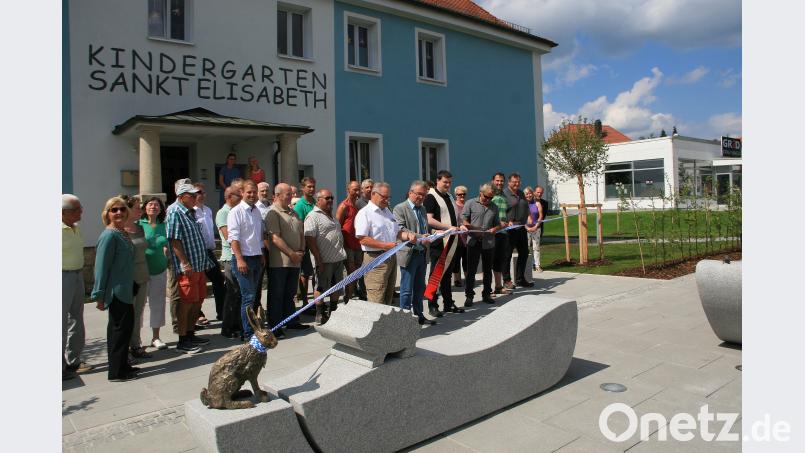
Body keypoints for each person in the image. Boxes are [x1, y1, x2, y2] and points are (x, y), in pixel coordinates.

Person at [91, 197, 138, 381]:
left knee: (126, 329)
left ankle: (124, 365)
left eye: (121, 209)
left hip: (126, 289)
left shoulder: (122, 232)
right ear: (107, 214)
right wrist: (99, 295)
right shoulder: (109, 235)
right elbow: (101, 267)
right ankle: (116, 372)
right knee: (118, 331)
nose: (118, 212)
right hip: (116, 291)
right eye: (114, 210)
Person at [166, 181, 214, 353]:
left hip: (199, 265)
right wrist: (184, 263)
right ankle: (182, 339)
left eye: (196, 195)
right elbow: (174, 240)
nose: (196, 197)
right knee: (186, 303)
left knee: (197, 301)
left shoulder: (190, 212)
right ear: (181, 197)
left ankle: (191, 333)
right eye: (192, 195)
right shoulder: (174, 212)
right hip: (188, 267)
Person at [355, 182, 415, 304]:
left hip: (391, 257)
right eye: (384, 197)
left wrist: (407, 236)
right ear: (373, 194)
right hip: (375, 259)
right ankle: (375, 323)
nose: (386, 200)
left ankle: (384, 323)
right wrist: (385, 245)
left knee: (388, 297)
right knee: (376, 299)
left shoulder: (387, 211)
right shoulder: (365, 213)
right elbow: (362, 238)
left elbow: (397, 232)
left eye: (388, 197)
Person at [266, 183, 311, 338]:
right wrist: (292, 253)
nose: (291, 196)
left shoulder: (293, 212)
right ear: (277, 195)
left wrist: (302, 250)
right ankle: (275, 326)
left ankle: (291, 321)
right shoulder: (273, 213)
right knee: (277, 295)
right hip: (280, 262)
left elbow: (301, 233)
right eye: (287, 194)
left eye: (291, 194)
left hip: (295, 259)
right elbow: (275, 238)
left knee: (290, 293)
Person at [228, 180, 268, 340]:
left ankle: (253, 327)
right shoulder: (236, 212)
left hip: (256, 258)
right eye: (248, 192)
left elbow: (259, 236)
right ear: (242, 193)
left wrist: (261, 254)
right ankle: (247, 333)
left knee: (255, 296)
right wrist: (239, 259)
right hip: (242, 259)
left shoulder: (257, 211)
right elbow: (234, 239)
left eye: (254, 192)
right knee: (248, 297)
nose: (252, 195)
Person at [423, 170, 467, 315]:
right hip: (439, 242)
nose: (448, 185)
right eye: (445, 182)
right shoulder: (430, 197)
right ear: (437, 181)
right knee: (436, 274)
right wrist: (448, 227)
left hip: (452, 241)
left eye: (449, 182)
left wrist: (460, 225)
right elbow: (429, 220)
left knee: (447, 274)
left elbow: (454, 216)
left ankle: (448, 303)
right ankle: (432, 304)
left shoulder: (448, 196)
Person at [393, 181, 435, 325]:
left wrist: (434, 233)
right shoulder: (400, 208)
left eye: (424, 195)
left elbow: (425, 229)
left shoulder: (422, 209)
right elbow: (400, 229)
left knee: (419, 287)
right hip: (409, 254)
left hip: (422, 253)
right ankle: (404, 319)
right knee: (406, 289)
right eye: (418, 194)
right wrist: (419, 238)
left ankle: (419, 315)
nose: (421, 197)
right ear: (410, 192)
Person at [304, 188, 347, 325]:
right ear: (318, 200)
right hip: (324, 260)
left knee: (336, 286)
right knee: (321, 287)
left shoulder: (331, 216)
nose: (330, 201)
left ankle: (333, 310)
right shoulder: (313, 216)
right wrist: (318, 259)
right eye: (327, 198)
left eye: (331, 198)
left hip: (337, 259)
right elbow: (309, 238)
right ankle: (320, 312)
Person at [62, 194, 93, 380]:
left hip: (76, 274)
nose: (81, 212)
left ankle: (73, 360)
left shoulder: (76, 228)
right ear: (64, 212)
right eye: (77, 209)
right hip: (61, 276)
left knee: (76, 318)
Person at [120, 195, 151, 362]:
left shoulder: (139, 228)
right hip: (127, 277)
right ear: (128, 209)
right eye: (138, 207)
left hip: (142, 274)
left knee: (138, 313)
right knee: (127, 315)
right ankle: (123, 350)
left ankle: (136, 345)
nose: (141, 210)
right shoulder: (119, 230)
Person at [137, 196, 170, 350]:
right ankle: (135, 339)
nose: (153, 207)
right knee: (139, 306)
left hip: (159, 269)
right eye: (150, 204)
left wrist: (165, 253)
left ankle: (155, 337)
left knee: (158, 304)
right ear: (145, 207)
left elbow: (166, 244)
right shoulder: (138, 224)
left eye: (157, 205)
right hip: (142, 271)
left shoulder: (164, 225)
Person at [462, 184, 502, 305]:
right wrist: (475, 229)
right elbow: (463, 220)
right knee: (471, 270)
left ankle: (487, 294)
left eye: (491, 198)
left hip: (488, 242)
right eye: (486, 197)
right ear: (481, 193)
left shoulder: (494, 207)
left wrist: (495, 229)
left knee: (487, 270)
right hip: (473, 242)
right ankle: (469, 296)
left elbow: (498, 224)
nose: (488, 200)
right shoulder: (470, 203)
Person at [194, 182, 226, 322]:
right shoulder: (191, 211)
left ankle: (221, 311)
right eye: (197, 192)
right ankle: (198, 313)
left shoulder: (207, 210)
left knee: (218, 280)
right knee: (197, 283)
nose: (201, 195)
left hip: (209, 250)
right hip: (197, 252)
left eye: (202, 192)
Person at [216, 186, 243, 339]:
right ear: (229, 196)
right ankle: (227, 327)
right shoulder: (223, 213)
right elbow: (228, 236)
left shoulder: (236, 211)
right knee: (232, 294)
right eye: (238, 195)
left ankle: (236, 324)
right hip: (229, 257)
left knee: (239, 294)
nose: (240, 198)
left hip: (238, 255)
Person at [502, 173, 534, 288]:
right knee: (507, 255)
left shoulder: (521, 193)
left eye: (518, 181)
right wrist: (507, 220)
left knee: (524, 253)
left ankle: (520, 278)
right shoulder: (503, 194)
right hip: (509, 230)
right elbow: (499, 211)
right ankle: (506, 280)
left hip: (521, 228)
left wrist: (529, 216)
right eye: (514, 182)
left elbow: (526, 206)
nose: (517, 184)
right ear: (509, 182)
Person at [336, 181, 364, 301]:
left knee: (357, 273)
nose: (357, 192)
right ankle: (347, 298)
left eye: (358, 190)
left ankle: (351, 295)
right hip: (347, 245)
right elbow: (337, 226)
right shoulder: (344, 206)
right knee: (351, 273)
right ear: (348, 190)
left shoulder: (357, 205)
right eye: (354, 190)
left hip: (357, 244)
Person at [294, 177, 317, 310]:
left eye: (313, 186)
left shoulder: (315, 202)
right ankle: (305, 302)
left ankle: (316, 299)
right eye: (309, 186)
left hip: (316, 242)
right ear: (303, 188)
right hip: (306, 244)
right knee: (305, 273)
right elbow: (299, 227)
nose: (312, 189)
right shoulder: (300, 205)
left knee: (315, 273)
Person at [490, 172, 513, 295]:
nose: (499, 183)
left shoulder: (504, 195)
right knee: (489, 261)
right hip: (492, 233)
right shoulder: (489, 194)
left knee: (499, 260)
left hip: (503, 233)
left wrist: (508, 221)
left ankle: (498, 287)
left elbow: (504, 213)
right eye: (497, 180)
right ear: (493, 181)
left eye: (501, 181)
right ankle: (487, 290)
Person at [255, 181, 273, 310]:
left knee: (273, 279)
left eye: (266, 190)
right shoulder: (255, 208)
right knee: (259, 281)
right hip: (262, 247)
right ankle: (257, 306)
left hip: (273, 245)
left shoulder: (271, 206)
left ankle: (271, 307)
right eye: (262, 191)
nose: (265, 193)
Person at [451, 185, 469, 288]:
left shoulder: (468, 205)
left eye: (463, 194)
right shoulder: (453, 206)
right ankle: (457, 280)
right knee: (456, 260)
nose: (461, 196)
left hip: (467, 237)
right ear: (455, 195)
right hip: (456, 238)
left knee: (466, 259)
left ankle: (468, 278)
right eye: (459, 194)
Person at [531, 185, 549, 272]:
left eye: (541, 193)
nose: (539, 194)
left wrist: (536, 226)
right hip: (526, 228)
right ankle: (528, 265)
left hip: (538, 228)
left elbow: (542, 216)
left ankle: (537, 265)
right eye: (538, 192)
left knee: (536, 247)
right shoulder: (528, 201)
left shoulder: (545, 203)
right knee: (526, 247)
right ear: (534, 192)